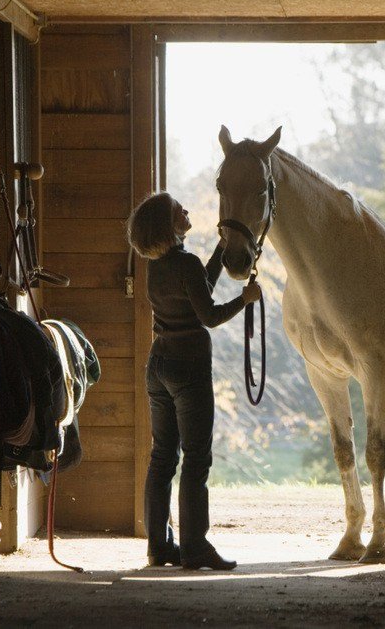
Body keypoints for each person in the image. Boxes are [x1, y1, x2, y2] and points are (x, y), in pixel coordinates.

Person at [126, 192, 261, 570]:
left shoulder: (159, 266)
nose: (185, 211)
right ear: (169, 225)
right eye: (178, 210)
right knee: (197, 458)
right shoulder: (185, 263)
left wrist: (221, 249)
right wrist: (245, 299)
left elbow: (199, 288)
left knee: (162, 456)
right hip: (189, 366)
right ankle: (196, 547)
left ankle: (159, 547)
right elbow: (210, 315)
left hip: (159, 364)